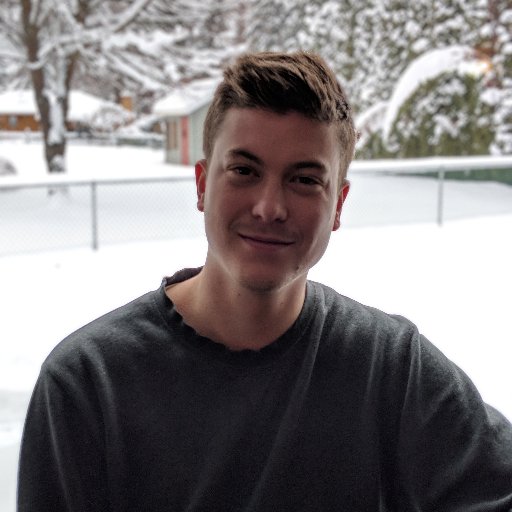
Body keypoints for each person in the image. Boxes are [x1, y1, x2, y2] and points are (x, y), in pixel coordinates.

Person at [18, 51, 512, 511]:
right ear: (202, 185)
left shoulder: (391, 369)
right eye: (244, 170)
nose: (270, 207)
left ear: (337, 205)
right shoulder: (88, 382)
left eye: (304, 180)